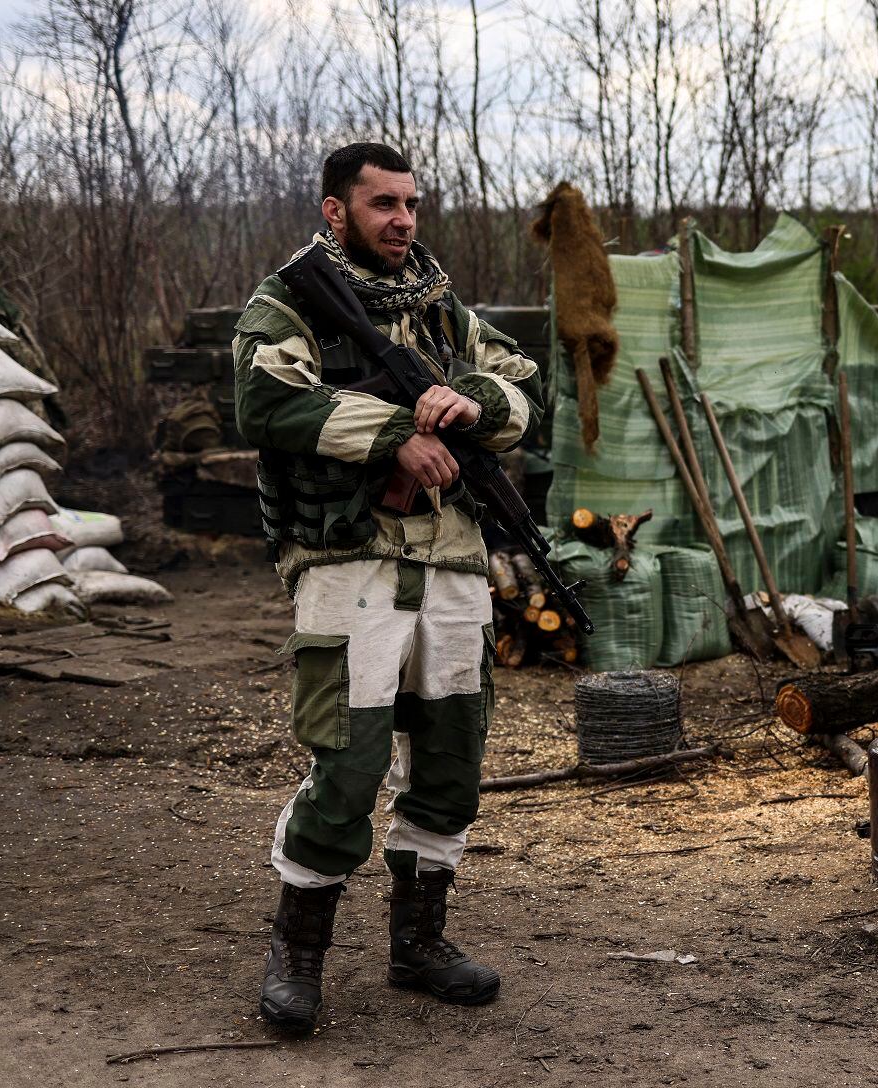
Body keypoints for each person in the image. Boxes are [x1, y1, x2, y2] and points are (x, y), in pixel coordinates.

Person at [233, 141, 543, 1032]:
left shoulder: (440, 307)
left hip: (450, 561)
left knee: (451, 760)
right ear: (335, 211)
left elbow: (526, 386)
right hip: (348, 561)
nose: (403, 220)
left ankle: (419, 944)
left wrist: (473, 402)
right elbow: (265, 404)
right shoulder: (288, 300)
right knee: (350, 764)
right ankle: (297, 954)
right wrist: (396, 434)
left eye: (411, 203)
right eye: (382, 205)